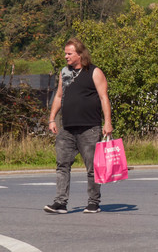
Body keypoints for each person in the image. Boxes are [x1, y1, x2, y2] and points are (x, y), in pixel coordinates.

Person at [44, 38, 113, 214]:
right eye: (65, 53)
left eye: (69, 53)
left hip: (90, 128)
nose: (65, 56)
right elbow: (59, 96)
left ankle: (93, 202)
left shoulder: (94, 72)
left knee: (92, 168)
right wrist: (52, 118)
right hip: (67, 128)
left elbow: (104, 97)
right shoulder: (64, 72)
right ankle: (60, 203)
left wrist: (107, 122)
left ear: (80, 54)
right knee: (62, 165)